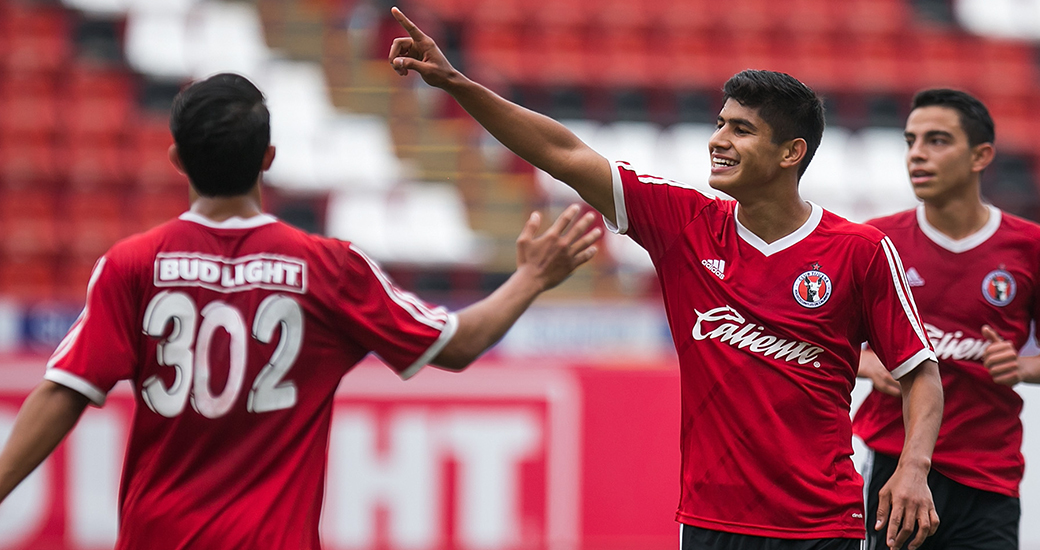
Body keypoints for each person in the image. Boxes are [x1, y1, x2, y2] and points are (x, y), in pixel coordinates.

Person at [387, 8, 946, 550]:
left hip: (825, 525)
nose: (718, 139)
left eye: (742, 130)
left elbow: (920, 374)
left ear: (790, 153)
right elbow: (563, 154)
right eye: (720, 123)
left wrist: (913, 469)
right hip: (712, 521)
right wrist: (456, 82)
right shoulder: (685, 225)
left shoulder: (861, 251)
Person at [0, 73, 602, 549]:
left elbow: (63, 391)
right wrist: (532, 278)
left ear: (177, 161)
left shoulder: (133, 266)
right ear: (268, 159)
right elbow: (460, 344)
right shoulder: (328, 268)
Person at [853, 89, 1040, 549]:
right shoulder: (875, 241)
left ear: (981, 156)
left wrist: (1024, 367)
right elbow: (810, 336)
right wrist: (866, 364)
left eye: (936, 140)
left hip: (988, 476)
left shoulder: (1028, 247)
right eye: (910, 141)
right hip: (893, 466)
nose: (917, 154)